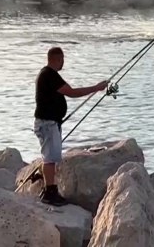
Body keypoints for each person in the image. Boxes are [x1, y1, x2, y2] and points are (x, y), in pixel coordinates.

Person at [34, 47, 108, 206]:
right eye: (62, 59)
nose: (63, 63)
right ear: (57, 59)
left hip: (50, 123)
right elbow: (72, 92)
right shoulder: (49, 75)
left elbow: (68, 91)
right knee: (49, 158)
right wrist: (96, 87)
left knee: (50, 156)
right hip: (47, 124)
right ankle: (50, 193)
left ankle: (49, 188)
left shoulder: (48, 74)